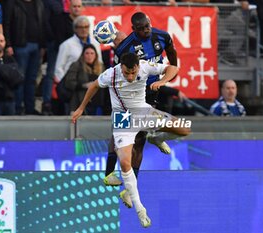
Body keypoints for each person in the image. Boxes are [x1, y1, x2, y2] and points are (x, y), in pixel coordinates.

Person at [72, 52, 191, 227]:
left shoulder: (144, 66)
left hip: (144, 112)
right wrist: (81, 108)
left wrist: (163, 81)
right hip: (123, 118)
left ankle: (156, 138)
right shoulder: (111, 74)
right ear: (121, 67)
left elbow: (173, 68)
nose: (130, 76)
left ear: (137, 67)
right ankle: (140, 209)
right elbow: (94, 86)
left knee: (184, 129)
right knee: (125, 162)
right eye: (127, 73)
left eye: (133, 73)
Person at [104, 12, 178, 197]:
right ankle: (109, 172)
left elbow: (171, 53)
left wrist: (171, 73)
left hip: (151, 91)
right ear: (133, 29)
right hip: (130, 94)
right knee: (120, 130)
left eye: (148, 25)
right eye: (142, 28)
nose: (146, 30)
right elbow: (117, 75)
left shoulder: (162, 36)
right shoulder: (124, 49)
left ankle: (131, 188)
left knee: (140, 140)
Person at [4, 0, 45, 115]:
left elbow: (42, 23)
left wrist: (42, 45)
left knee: (31, 80)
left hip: (36, 46)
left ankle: (30, 108)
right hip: (20, 45)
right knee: (20, 78)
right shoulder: (13, 3)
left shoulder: (39, 3)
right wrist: (8, 44)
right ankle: (18, 108)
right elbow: (7, 23)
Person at [64, 44, 110, 114]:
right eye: (87, 53)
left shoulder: (101, 67)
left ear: (96, 55)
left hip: (99, 103)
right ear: (83, 55)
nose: (89, 56)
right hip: (81, 102)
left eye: (92, 53)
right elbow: (69, 82)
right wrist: (84, 85)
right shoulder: (76, 65)